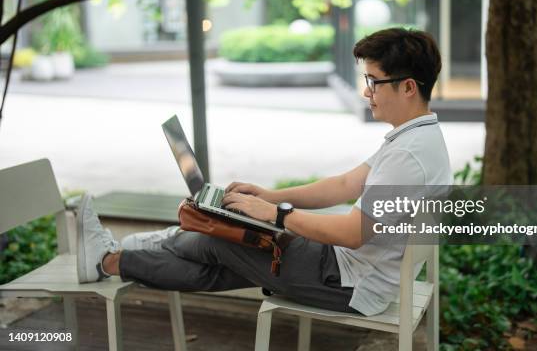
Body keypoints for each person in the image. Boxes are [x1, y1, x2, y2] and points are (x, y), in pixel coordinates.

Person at [77, 27, 452, 316]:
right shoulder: (415, 140)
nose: (366, 92)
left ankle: (125, 252)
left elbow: (353, 233)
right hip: (352, 273)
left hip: (349, 283)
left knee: (218, 239)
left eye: (374, 81)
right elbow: (344, 184)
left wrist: (276, 215)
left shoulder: (409, 156)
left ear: (407, 88)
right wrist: (270, 196)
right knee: (227, 257)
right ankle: (123, 256)